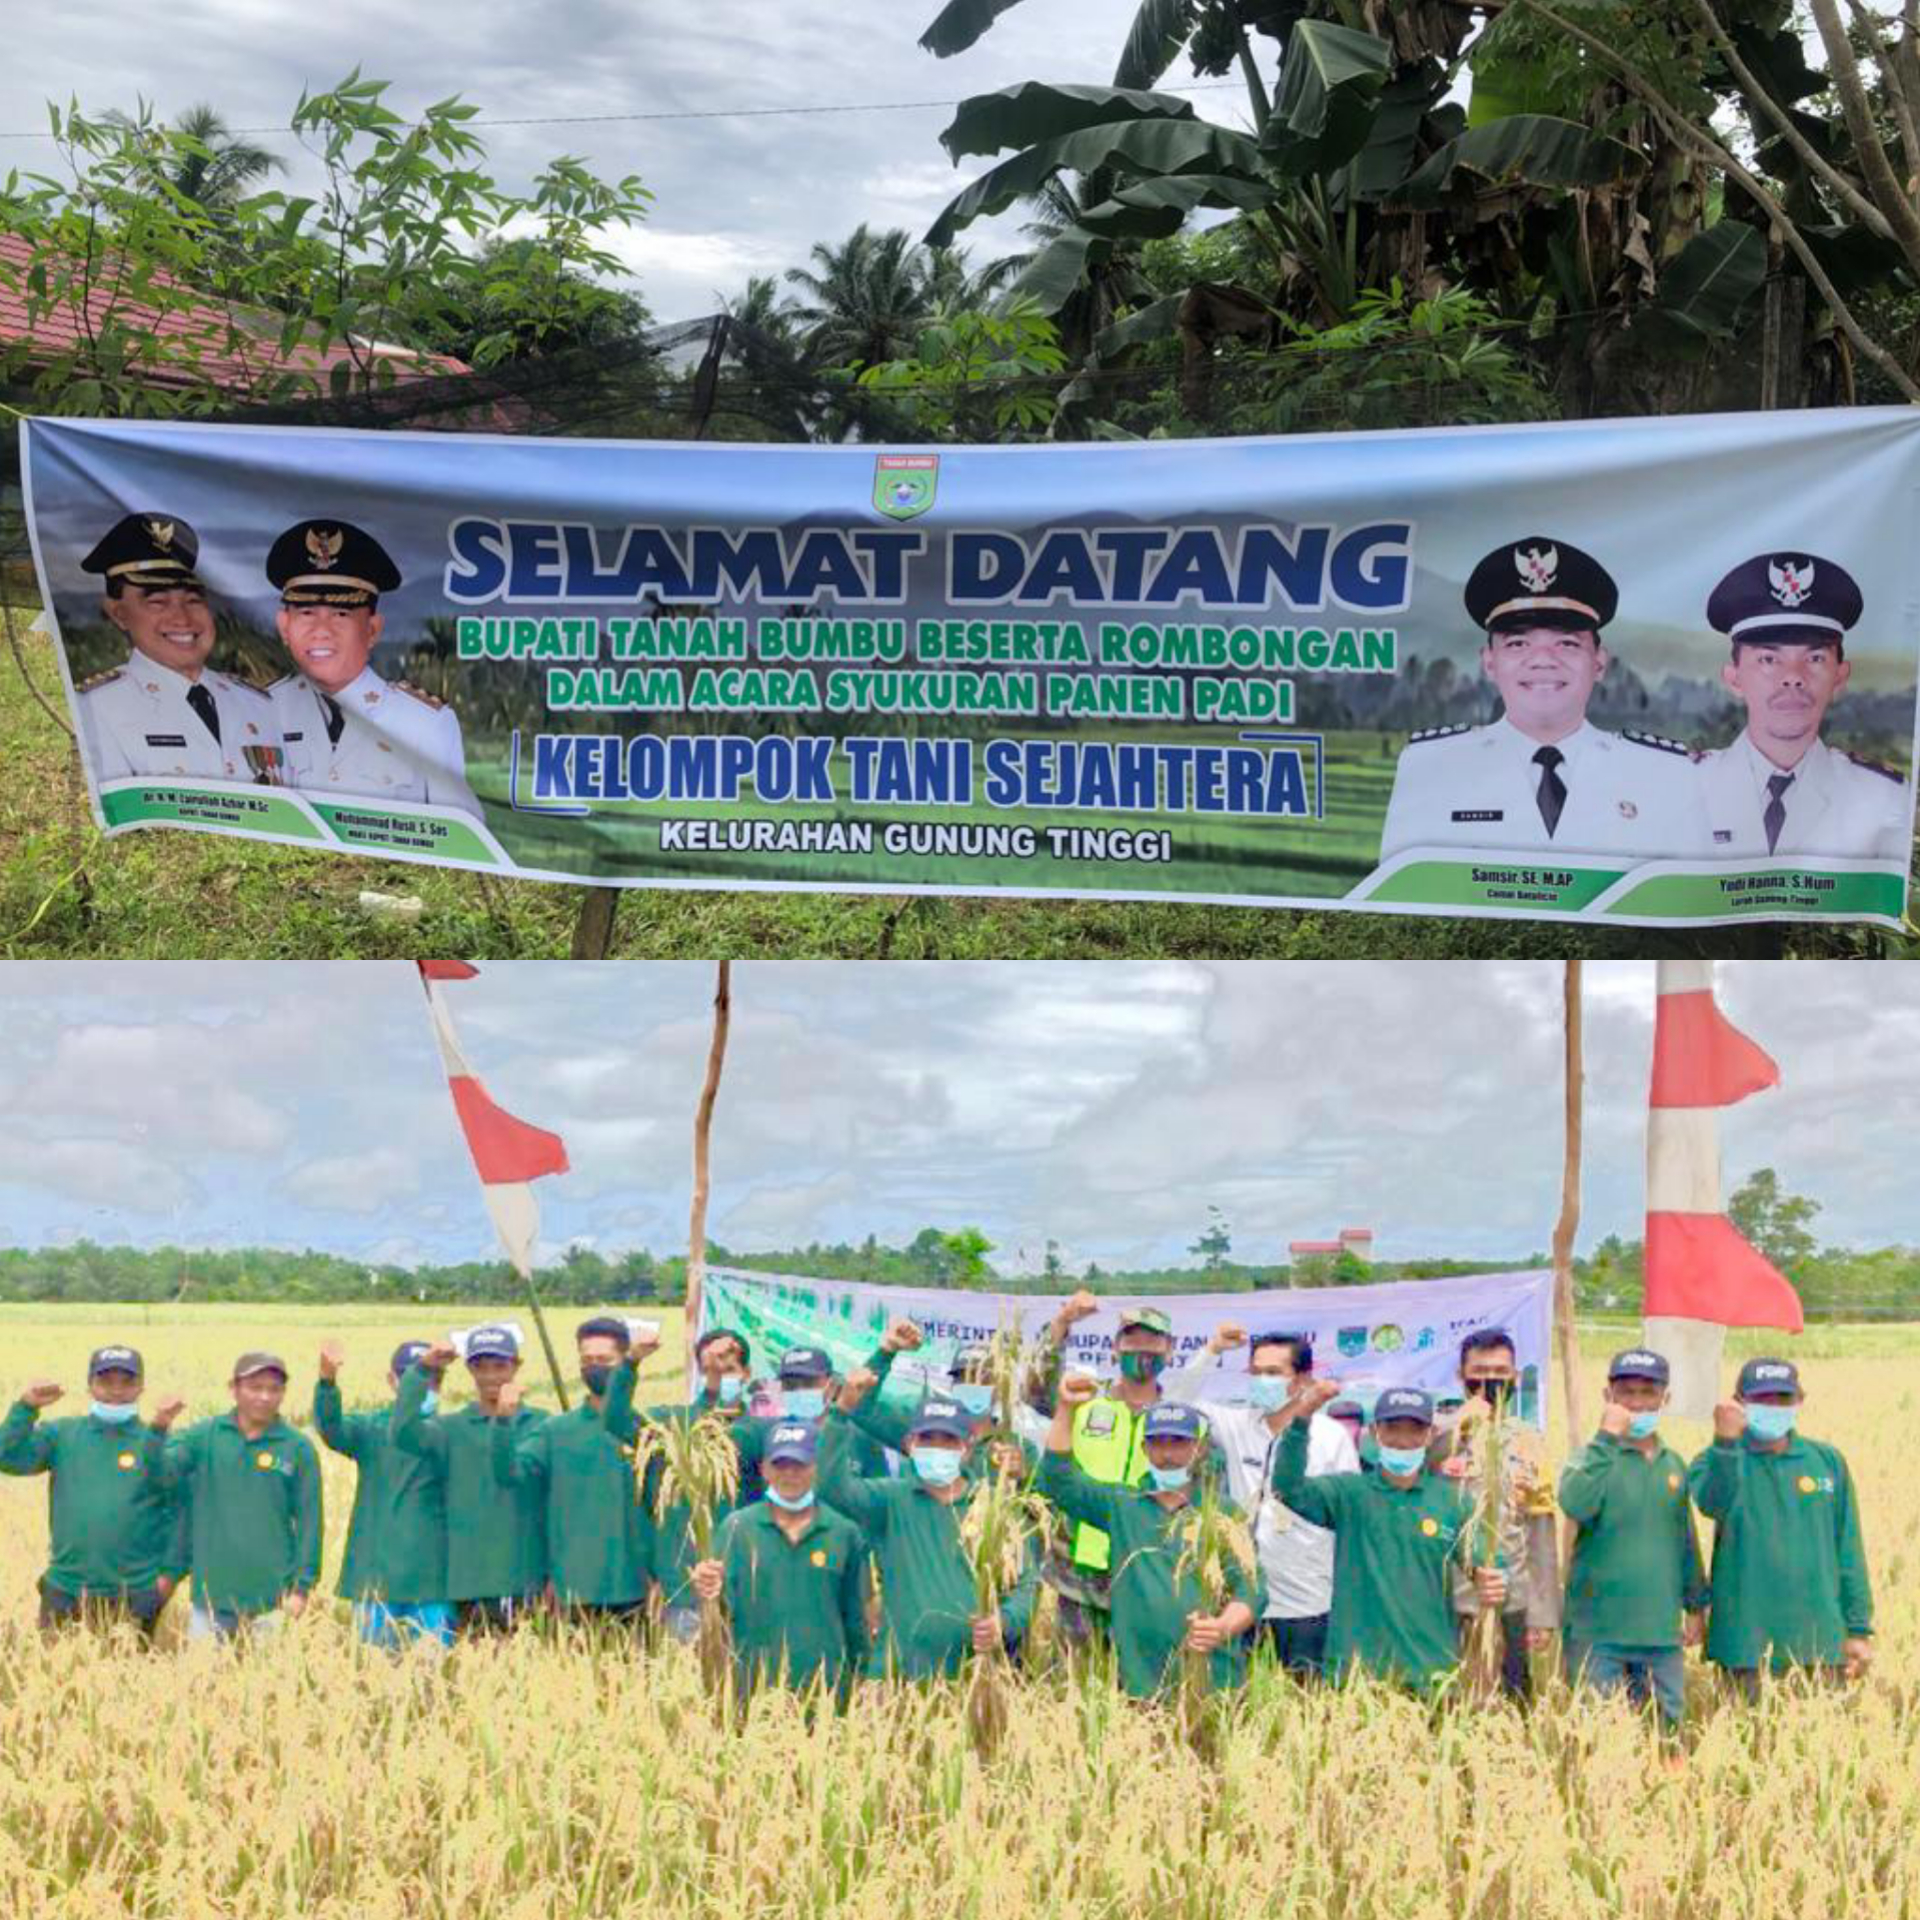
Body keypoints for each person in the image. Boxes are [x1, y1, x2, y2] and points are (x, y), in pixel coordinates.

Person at [1379, 536, 1706, 860]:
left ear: (1599, 662)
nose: (1543, 660)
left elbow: (1688, 896)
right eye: (1518, 644)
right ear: (1489, 662)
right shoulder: (1431, 767)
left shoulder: (1662, 772)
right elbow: (1399, 898)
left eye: (1567, 643)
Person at [1273, 1379, 1507, 1694]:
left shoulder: (1453, 1500)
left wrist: (1491, 1576)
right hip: (1357, 1673)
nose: (1403, 1440)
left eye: (1414, 1430)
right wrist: (1301, 1420)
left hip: (1432, 1672)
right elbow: (1288, 1491)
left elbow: (1486, 1560)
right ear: (1375, 1433)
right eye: (1393, 1429)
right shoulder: (1349, 1493)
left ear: (1431, 1435)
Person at [1158, 1322, 1360, 1678]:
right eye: (1256, 1372)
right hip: (1242, 1602)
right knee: (1242, 1707)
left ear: (1301, 1379)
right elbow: (1174, 1404)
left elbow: (1347, 1514)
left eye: (1273, 1373)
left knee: (1304, 1707)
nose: (1261, 1381)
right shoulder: (1235, 1426)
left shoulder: (1331, 1438)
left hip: (1306, 1602)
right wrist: (1212, 1351)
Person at [1037, 1383, 1258, 1700]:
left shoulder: (1222, 1513)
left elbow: (1251, 1585)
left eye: (1179, 1443)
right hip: (1140, 1685)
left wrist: (1223, 1626)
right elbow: (1060, 1479)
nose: (1167, 1455)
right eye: (1157, 1443)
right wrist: (1066, 1410)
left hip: (1213, 1682)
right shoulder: (1122, 1504)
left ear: (1199, 1448)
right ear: (1144, 1449)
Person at [263, 518, 481, 818]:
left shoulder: (425, 725)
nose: (321, 630)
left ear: (373, 630)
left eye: (341, 613)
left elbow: (462, 844)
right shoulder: (259, 713)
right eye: (307, 612)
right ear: (284, 627)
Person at [1696, 553, 1908, 861]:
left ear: (1840, 676)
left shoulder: (1883, 798)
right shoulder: (1685, 788)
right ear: (1734, 678)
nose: (1793, 677)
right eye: (1769, 659)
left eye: (1815, 658)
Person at [816, 1389, 1036, 1679]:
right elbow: (831, 1488)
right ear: (910, 1444)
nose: (938, 1448)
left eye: (948, 1440)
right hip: (897, 1676)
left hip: (976, 1679)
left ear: (968, 1447)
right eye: (927, 1439)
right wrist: (839, 1414)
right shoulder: (890, 1500)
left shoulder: (993, 1507)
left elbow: (1026, 1583)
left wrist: (1004, 1623)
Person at [1690, 1357, 1873, 1700]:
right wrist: (1726, 1443)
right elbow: (1712, 1502)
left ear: (1800, 1400)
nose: (1772, 1408)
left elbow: (1848, 1547)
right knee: (1746, 1746)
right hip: (1743, 1644)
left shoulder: (1827, 1462)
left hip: (1820, 1642)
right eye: (1761, 1400)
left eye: (1782, 1400)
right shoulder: (1715, 1460)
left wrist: (1858, 1628)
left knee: (1816, 1747)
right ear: (1738, 1403)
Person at [1556, 1349, 1709, 1733]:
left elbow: (1684, 1539)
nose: (1637, 1404)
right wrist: (1606, 1438)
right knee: (1598, 1736)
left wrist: (1695, 1606)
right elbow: (1575, 1502)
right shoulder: (1590, 1460)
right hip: (1598, 1632)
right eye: (1626, 1393)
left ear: (1665, 1400)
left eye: (1647, 1393)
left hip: (1659, 1632)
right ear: (1608, 1396)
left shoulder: (1673, 1465)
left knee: (1665, 1735)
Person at [73, 513, 283, 784]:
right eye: (158, 602)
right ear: (118, 613)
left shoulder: (259, 704)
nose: (183, 619)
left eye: (194, 600)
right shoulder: (95, 708)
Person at [1023, 1292, 1181, 1648]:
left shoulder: (1180, 1421)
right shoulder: (1084, 1403)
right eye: (1132, 1339)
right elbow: (1034, 1391)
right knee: (1075, 1687)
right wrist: (1062, 1322)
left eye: (1153, 1341)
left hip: (1146, 1575)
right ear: (1114, 1348)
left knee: (1140, 1685)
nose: (1142, 1349)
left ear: (1170, 1351)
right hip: (1078, 1577)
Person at [0, 1346, 186, 1637]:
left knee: (130, 1679)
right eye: (106, 1381)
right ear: (90, 1386)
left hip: (134, 1592)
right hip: (66, 1587)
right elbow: (7, 1457)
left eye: (127, 1382)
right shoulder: (62, 1435)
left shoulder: (159, 1443)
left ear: (141, 1388)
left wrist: (168, 1580)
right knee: (57, 1677)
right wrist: (26, 1407)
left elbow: (182, 1515)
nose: (116, 1390)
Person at [601, 1325, 769, 1644]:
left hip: (746, 1590)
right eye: (711, 1367)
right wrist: (630, 1363)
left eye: (730, 1366)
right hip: (684, 1591)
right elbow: (615, 1419)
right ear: (701, 1370)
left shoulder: (760, 1432)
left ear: (746, 1373)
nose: (720, 1372)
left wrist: (729, 1397)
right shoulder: (672, 1425)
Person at [690, 1421, 869, 1702]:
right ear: (763, 1469)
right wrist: (706, 1586)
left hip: (827, 1697)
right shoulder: (737, 1529)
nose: (790, 1474)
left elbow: (856, 1618)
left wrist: (863, 1677)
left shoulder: (843, 1533)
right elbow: (718, 1612)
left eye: (800, 1465)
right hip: (753, 1691)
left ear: (817, 1467)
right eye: (780, 1465)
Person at [148, 1352, 322, 1641]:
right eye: (255, 1388)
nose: (265, 1397)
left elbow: (310, 1521)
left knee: (270, 1683)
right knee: (204, 1681)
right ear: (234, 1389)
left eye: (274, 1389)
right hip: (212, 1597)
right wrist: (158, 1428)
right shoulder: (204, 1437)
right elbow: (160, 1477)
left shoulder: (297, 1447)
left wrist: (302, 1590)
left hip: (273, 1599)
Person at [492, 1318, 654, 1627]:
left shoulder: (648, 1431)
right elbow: (508, 1475)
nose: (594, 1367)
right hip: (574, 1589)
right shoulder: (555, 1431)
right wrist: (502, 1423)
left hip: (635, 1585)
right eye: (587, 1360)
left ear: (623, 1363)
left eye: (604, 1360)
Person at [1426, 1328, 1560, 1701]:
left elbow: (1541, 1532)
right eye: (1480, 1371)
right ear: (1461, 1376)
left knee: (1514, 1700)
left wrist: (1543, 1613)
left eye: (1501, 1372)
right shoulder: (1435, 1429)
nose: (1491, 1381)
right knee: (1448, 1702)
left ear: (1515, 1377)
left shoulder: (1528, 1441)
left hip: (1510, 1600)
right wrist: (1459, 1428)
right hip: (1448, 1599)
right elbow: (1412, 1477)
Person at [393, 1325, 547, 1635]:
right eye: (481, 1367)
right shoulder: (450, 1428)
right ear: (469, 1369)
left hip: (526, 1575)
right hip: (469, 1577)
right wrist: (423, 1369)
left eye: (500, 1366)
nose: (491, 1376)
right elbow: (404, 1432)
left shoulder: (542, 1425)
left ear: (517, 1366)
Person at [312, 1338, 452, 1650]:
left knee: (434, 1672)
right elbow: (331, 1429)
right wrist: (327, 1383)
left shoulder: (451, 1432)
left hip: (433, 1581)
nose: (427, 1386)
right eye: (417, 1376)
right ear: (392, 1380)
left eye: (436, 1379)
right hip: (377, 1577)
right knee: (373, 1669)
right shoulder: (372, 1429)